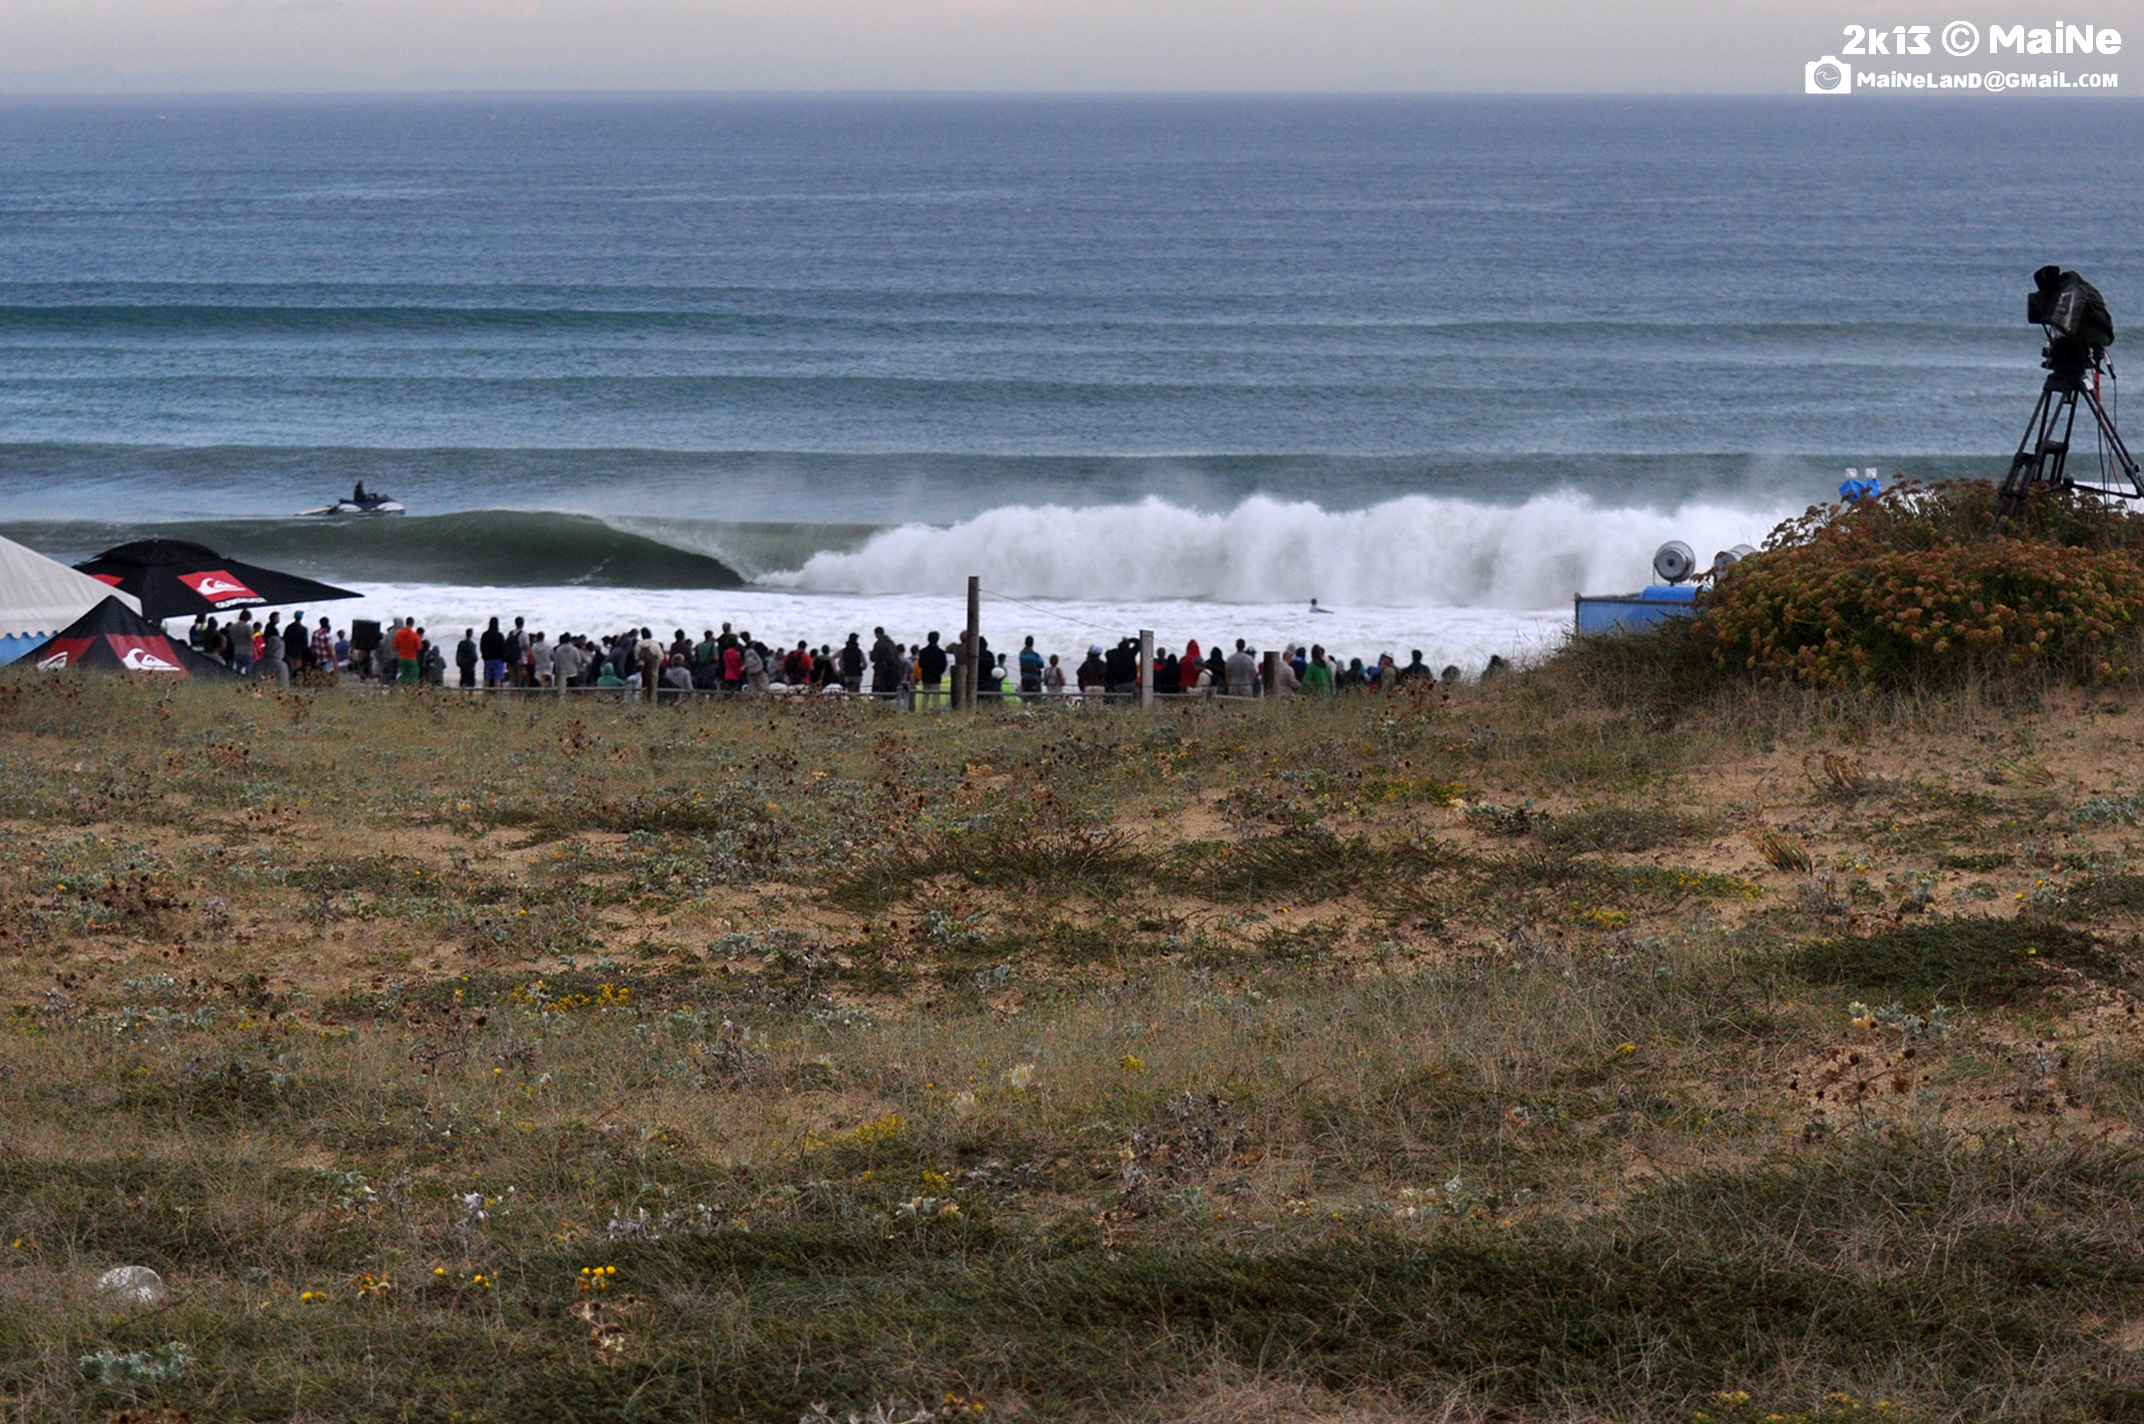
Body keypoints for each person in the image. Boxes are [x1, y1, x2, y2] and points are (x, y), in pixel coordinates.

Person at [917, 631, 949, 708]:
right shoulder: (941, 652)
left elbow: (920, 664)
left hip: (926, 677)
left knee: (925, 697)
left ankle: (923, 711)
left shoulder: (923, 652)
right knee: (936, 698)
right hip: (936, 677)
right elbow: (944, 665)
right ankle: (935, 712)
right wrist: (939, 672)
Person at [392, 617, 422, 685]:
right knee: (414, 677)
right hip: (412, 658)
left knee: (402, 676)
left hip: (402, 658)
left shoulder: (398, 634)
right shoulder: (415, 635)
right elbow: (418, 647)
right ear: (412, 624)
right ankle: (412, 689)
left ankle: (399, 687)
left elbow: (395, 647)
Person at [479, 617, 507, 689]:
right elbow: (503, 648)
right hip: (498, 660)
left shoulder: (485, 635)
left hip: (488, 659)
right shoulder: (499, 635)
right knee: (497, 679)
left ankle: (485, 694)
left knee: (487, 679)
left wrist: (484, 656)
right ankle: (497, 694)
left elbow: (482, 647)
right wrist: (503, 658)